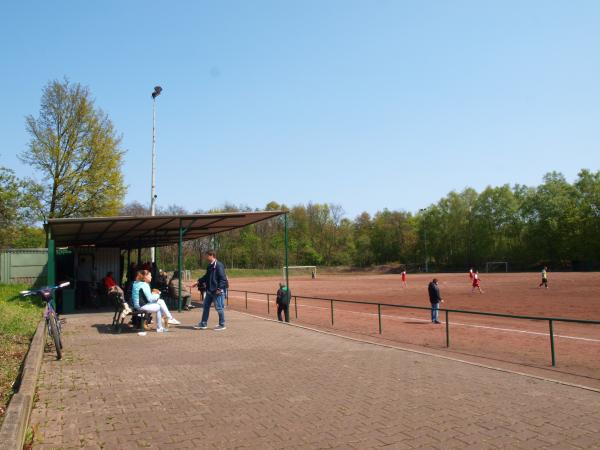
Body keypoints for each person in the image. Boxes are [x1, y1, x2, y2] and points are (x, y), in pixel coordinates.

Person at [193, 251, 228, 331]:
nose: (206, 257)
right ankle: (203, 323)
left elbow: (223, 279)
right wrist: (198, 282)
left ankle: (222, 324)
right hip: (209, 291)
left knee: (219, 308)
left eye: (207, 256)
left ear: (212, 255)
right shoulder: (209, 266)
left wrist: (219, 289)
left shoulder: (219, 265)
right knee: (205, 307)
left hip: (217, 291)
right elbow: (206, 277)